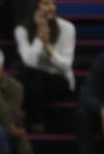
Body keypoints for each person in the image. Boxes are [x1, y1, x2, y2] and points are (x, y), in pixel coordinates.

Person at [14, 0, 75, 132]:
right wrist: (40, 38)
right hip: (33, 80)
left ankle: (32, 122)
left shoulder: (67, 28)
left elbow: (65, 66)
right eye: (46, 3)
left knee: (30, 79)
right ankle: (37, 124)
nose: (51, 7)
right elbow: (29, 62)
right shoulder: (21, 30)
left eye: (53, 4)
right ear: (35, 7)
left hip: (59, 79)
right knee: (30, 77)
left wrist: (48, 47)